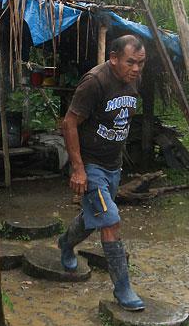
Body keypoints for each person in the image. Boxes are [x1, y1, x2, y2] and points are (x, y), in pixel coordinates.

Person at [55, 34, 147, 311]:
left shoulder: (134, 80)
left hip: (112, 164)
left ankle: (65, 243)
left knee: (94, 215)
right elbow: (69, 124)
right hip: (91, 164)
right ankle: (123, 289)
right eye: (131, 62)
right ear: (114, 58)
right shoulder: (94, 82)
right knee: (110, 221)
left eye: (141, 63)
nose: (136, 69)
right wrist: (79, 169)